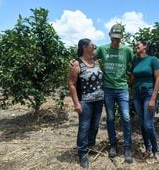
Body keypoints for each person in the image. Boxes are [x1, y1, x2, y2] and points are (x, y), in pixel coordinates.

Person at [70, 23, 135, 163]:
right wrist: (74, 61)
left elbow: (135, 63)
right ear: (110, 36)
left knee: (126, 117)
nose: (114, 41)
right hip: (107, 89)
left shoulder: (127, 50)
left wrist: (132, 76)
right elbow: (87, 57)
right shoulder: (103, 49)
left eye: (117, 39)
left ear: (122, 37)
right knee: (110, 118)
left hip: (122, 88)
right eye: (112, 38)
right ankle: (113, 145)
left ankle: (127, 147)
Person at [68, 38, 104, 168]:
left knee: (95, 125)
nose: (94, 47)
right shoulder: (76, 64)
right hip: (85, 102)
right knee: (84, 127)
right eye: (92, 45)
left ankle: (90, 146)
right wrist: (76, 103)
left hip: (99, 100)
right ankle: (82, 153)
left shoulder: (96, 61)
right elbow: (71, 85)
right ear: (84, 47)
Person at [132, 40, 159, 161]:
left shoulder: (153, 60)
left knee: (148, 125)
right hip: (137, 94)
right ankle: (148, 149)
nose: (136, 46)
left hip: (149, 93)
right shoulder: (135, 61)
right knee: (143, 125)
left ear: (145, 46)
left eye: (138, 44)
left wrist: (153, 99)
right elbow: (132, 78)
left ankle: (156, 150)